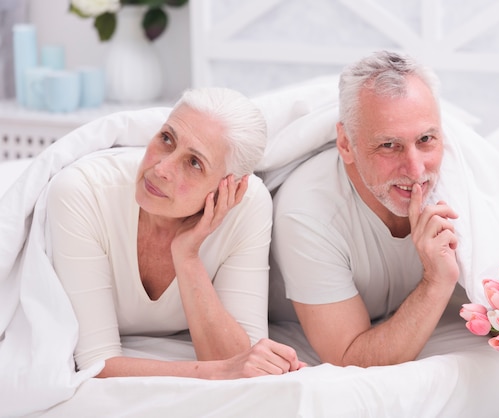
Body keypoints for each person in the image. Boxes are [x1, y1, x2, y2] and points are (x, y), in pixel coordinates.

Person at [47, 87, 305, 379]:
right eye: (167, 139)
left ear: (228, 186)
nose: (161, 168)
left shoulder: (245, 205)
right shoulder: (83, 192)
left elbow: (243, 361)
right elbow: (96, 363)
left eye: (194, 163)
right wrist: (217, 372)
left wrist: (187, 255)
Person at [269, 50, 462, 367]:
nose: (415, 170)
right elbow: (350, 357)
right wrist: (436, 283)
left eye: (426, 139)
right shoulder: (308, 211)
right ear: (345, 144)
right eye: (389, 145)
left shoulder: (456, 179)